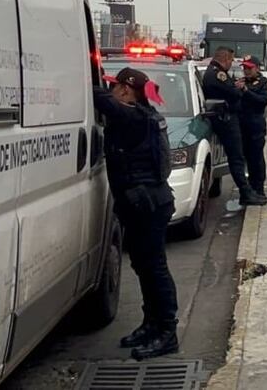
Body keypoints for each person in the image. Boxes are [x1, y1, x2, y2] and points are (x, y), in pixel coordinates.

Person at [94, 67, 179, 360]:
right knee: (143, 266)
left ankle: (168, 331)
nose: (112, 90)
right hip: (142, 203)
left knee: (154, 268)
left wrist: (81, 75)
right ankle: (151, 323)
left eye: (116, 86)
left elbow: (101, 100)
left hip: (148, 204)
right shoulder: (141, 114)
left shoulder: (133, 117)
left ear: (127, 90)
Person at [202, 47, 265, 206]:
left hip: (232, 120)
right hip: (226, 120)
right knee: (236, 158)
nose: (232, 64)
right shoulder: (217, 74)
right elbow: (235, 93)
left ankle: (249, 191)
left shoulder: (213, 72)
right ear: (225, 58)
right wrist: (238, 88)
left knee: (244, 158)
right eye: (231, 60)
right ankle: (246, 192)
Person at [237, 55, 267, 197]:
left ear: (257, 68)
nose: (246, 71)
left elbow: (263, 100)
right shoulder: (241, 82)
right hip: (241, 125)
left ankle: (259, 188)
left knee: (256, 158)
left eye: (249, 68)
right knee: (243, 157)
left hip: (255, 126)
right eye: (244, 68)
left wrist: (246, 91)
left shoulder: (264, 83)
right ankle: (247, 188)